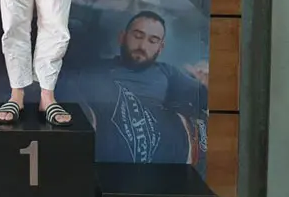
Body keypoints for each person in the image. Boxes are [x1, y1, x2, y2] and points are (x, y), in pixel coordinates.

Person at [57, 10, 207, 164]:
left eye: (153, 40)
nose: (142, 46)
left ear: (160, 48)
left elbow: (204, 98)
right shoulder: (95, 71)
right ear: (122, 37)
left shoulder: (166, 73)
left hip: (176, 150)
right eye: (137, 36)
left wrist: (206, 83)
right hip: (108, 155)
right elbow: (60, 87)